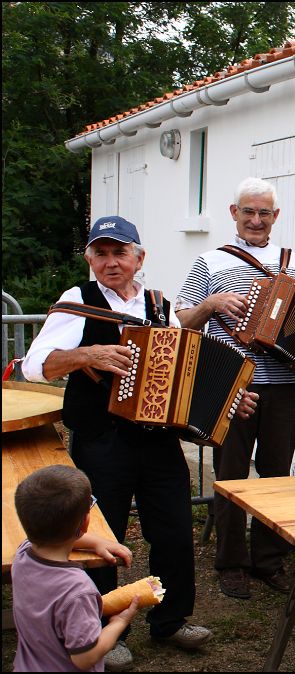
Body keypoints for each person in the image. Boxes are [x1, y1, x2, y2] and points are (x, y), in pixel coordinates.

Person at [21, 216, 240, 670]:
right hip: (104, 440)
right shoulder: (76, 302)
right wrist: (86, 354)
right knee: (103, 532)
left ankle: (171, 619)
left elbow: (183, 368)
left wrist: (226, 398)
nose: (110, 262)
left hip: (158, 440)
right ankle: (98, 628)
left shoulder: (158, 304)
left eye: (119, 252)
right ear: (88, 259)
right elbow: (33, 365)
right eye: (100, 253)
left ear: (139, 258)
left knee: (174, 530)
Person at [175, 177, 295, 602]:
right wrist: (212, 304)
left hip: (284, 385)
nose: (256, 220)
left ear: (275, 217)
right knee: (232, 474)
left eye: (264, 213)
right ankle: (231, 563)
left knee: (275, 474)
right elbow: (183, 320)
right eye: (248, 211)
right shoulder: (210, 262)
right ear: (234, 213)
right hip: (232, 383)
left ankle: (268, 560)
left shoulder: (294, 263)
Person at [11, 465, 138, 672]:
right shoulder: (78, 591)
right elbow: (84, 657)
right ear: (86, 522)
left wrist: (95, 542)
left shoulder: (23, 555)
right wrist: (118, 623)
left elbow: (47, 536)